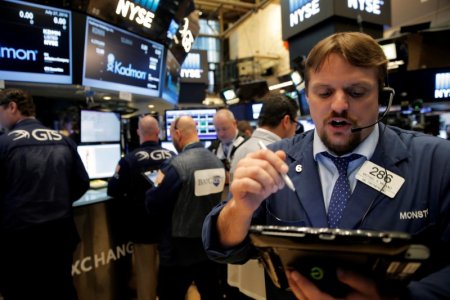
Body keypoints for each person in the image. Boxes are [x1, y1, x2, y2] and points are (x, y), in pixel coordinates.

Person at [202, 32, 450, 299]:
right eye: (324, 92)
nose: (339, 105)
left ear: (381, 96)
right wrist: (240, 209)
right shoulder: (274, 161)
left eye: (357, 92)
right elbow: (224, 246)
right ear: (307, 97)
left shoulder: (437, 161)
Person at [0, 89, 90, 300]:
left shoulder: (4, 144)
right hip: (60, 236)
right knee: (61, 289)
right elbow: (82, 183)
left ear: (12, 107)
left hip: (18, 242)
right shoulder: (63, 140)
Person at [145, 115, 226, 300]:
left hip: (178, 250)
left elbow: (154, 203)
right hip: (208, 244)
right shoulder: (216, 161)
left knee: (169, 294)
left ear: (178, 134)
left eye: (172, 134)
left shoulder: (176, 166)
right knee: (212, 292)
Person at [228, 93, 300, 299]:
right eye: (295, 123)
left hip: (241, 248)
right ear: (287, 121)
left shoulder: (241, 147)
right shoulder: (273, 153)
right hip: (264, 259)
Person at [107, 115, 175, 300]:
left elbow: (112, 190)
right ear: (158, 132)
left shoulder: (128, 160)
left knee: (146, 277)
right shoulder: (173, 157)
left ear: (138, 133)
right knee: (171, 277)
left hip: (141, 228)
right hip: (168, 227)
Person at [208, 108, 248, 176]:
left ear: (234, 124)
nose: (221, 134)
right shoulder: (213, 147)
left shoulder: (247, 144)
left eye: (224, 129)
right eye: (217, 130)